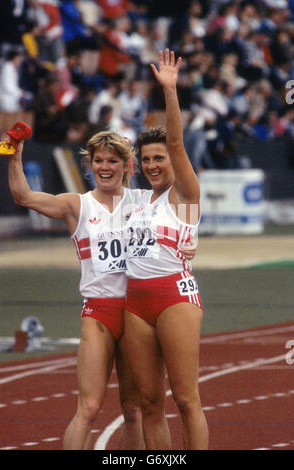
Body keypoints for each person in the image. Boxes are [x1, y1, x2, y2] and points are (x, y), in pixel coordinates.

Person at [7, 130, 145, 450]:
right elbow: (24, 197)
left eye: (112, 161)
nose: (105, 167)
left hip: (138, 312)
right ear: (90, 165)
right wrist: (15, 156)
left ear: (127, 166)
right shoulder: (77, 205)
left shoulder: (145, 202)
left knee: (134, 410)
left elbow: (184, 203)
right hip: (99, 312)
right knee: (89, 408)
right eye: (98, 161)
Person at [124, 49, 209, 450]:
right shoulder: (139, 201)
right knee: (148, 402)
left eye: (158, 158)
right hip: (135, 303)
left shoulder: (185, 196)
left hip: (174, 297)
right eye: (146, 160)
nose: (153, 164)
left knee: (186, 399)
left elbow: (175, 141)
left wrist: (170, 92)